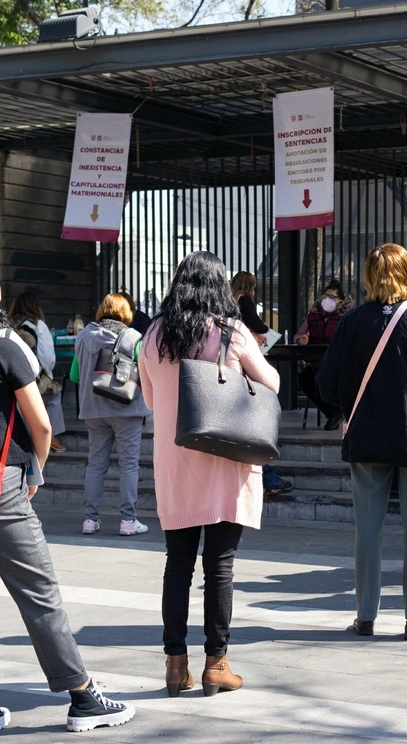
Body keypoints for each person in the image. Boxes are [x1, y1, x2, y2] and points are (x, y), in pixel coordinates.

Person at [0, 260, 134, 740]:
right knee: (39, 594)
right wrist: (34, 470)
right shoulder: (1, 350)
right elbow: (42, 426)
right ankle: (81, 695)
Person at [139, 252, 280, 697]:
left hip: (176, 458)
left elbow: (148, 401)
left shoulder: (154, 334)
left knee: (176, 563)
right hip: (224, 457)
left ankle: (174, 665)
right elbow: (271, 383)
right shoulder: (231, 331)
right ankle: (217, 664)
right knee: (219, 567)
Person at [317, 243, 407, 641]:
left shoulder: (351, 322)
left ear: (369, 275)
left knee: (367, 529)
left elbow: (325, 383)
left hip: (366, 434)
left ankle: (365, 616)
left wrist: (350, 405)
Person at [72, 293, 151, 537]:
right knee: (128, 464)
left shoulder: (83, 336)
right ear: (126, 313)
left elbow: (75, 375)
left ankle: (89, 520)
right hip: (126, 409)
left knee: (95, 464)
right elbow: (147, 375)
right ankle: (128, 520)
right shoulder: (133, 337)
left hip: (93, 411)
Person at [7, 293, 68, 454]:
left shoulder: (7, 323)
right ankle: (51, 436)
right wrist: (48, 375)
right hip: (31, 374)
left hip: (8, 373)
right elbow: (47, 357)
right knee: (54, 394)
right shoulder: (38, 325)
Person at [295, 279, 351, 430]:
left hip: (337, 366)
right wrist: (301, 340)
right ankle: (332, 412)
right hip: (316, 364)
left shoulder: (346, 317)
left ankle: (338, 412)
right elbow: (299, 335)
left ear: (340, 301)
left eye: (332, 297)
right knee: (304, 379)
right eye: (325, 296)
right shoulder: (313, 316)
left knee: (324, 379)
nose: (328, 300)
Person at [230, 270, 269, 347]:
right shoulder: (245, 300)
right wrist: (265, 327)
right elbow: (254, 323)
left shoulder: (229, 300)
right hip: (242, 342)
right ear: (251, 286)